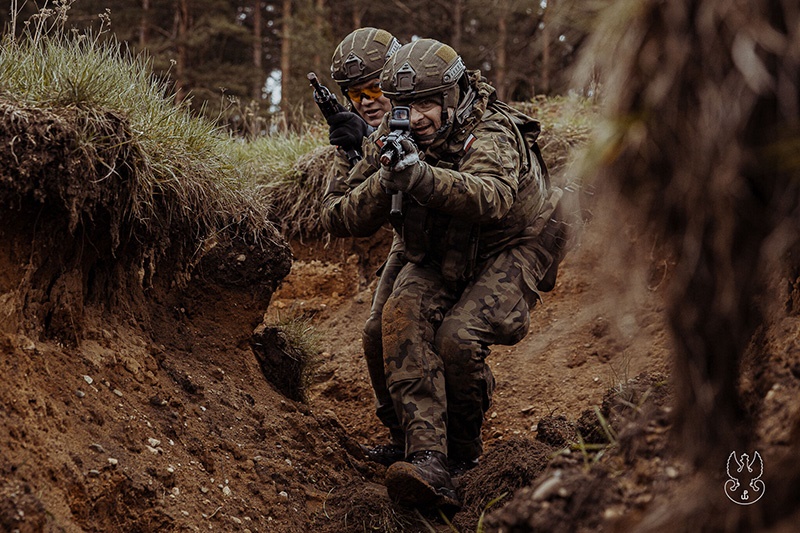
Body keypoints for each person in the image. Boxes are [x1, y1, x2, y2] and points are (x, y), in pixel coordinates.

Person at [321, 38, 564, 508]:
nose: (416, 118)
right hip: (440, 247)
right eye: (405, 105)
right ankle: (426, 457)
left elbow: (491, 197)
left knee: (457, 338)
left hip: (514, 244)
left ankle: (466, 458)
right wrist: (377, 169)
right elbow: (337, 216)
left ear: (452, 98)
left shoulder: (490, 129)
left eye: (428, 103)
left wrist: (417, 175)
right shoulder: (394, 134)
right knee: (395, 321)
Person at [323, 28, 408, 466]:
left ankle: (455, 447)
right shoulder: (355, 131)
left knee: (451, 340)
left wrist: (373, 146)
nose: (368, 100)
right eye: (356, 94)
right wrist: (356, 148)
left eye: (376, 87)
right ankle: (402, 437)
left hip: (473, 237)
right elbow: (337, 216)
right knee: (377, 333)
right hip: (413, 240)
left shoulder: (430, 104)